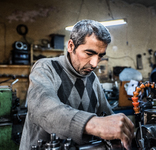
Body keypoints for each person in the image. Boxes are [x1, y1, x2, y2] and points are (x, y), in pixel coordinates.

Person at [19, 20, 134, 150]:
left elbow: (105, 114)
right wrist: (93, 124)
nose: (95, 63)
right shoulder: (46, 67)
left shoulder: (92, 78)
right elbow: (44, 109)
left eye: (100, 56)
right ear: (71, 46)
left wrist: (119, 128)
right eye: (89, 54)